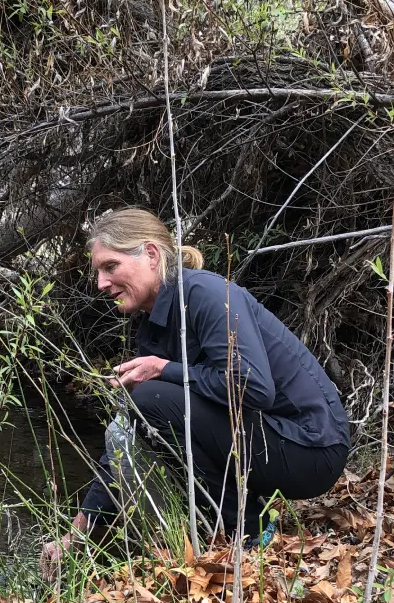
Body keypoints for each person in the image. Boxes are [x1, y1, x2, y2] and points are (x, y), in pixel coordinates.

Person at [40, 207, 349, 572]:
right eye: (98, 272)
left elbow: (253, 387)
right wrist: (79, 529)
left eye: (111, 266)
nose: (101, 283)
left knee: (150, 398)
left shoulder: (204, 293)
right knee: (139, 413)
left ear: (151, 255)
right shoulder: (155, 325)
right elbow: (131, 431)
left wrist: (165, 368)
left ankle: (247, 530)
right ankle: (218, 527)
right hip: (271, 444)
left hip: (312, 450)